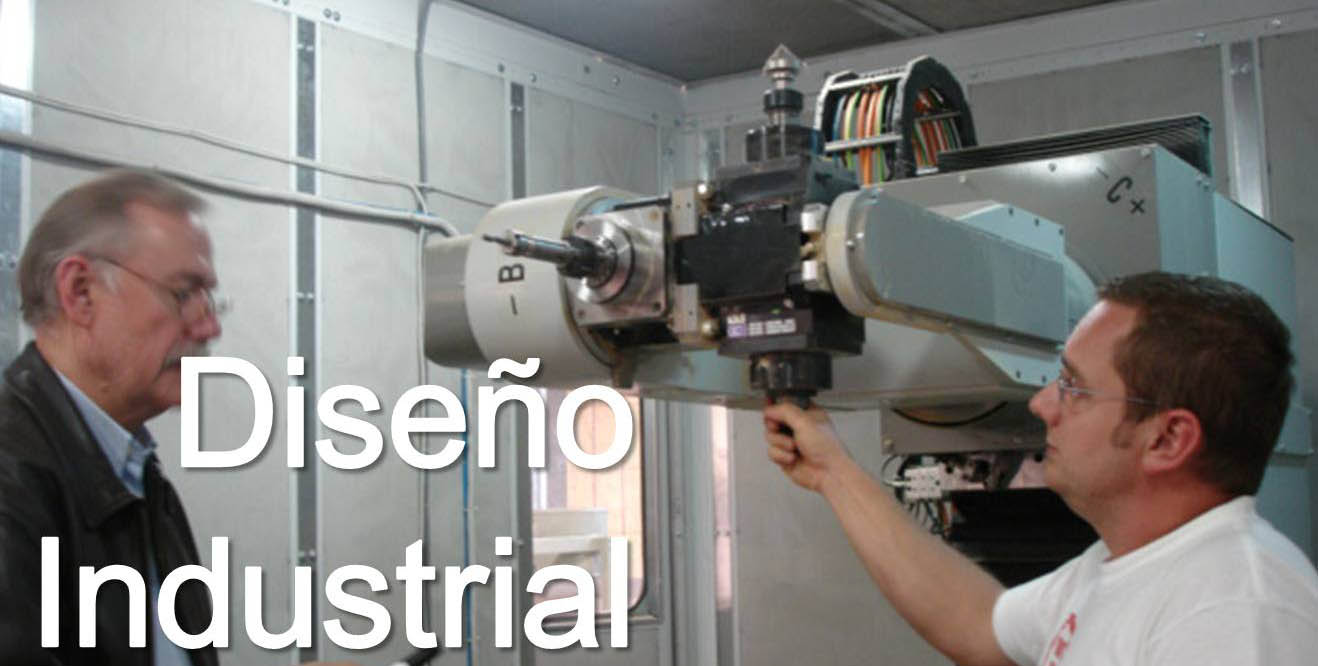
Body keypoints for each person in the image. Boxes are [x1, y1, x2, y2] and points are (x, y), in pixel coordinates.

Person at [763, 272, 1318, 665]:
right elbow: (979, 623)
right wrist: (834, 471)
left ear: (1167, 439)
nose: (1041, 403)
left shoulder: (1235, 616)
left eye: (1074, 387)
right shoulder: (1124, 564)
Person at [0, 171, 354, 666]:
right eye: (184, 294)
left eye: (210, 300)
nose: (209, 327)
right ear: (80, 292)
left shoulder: (137, 476)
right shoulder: (14, 476)